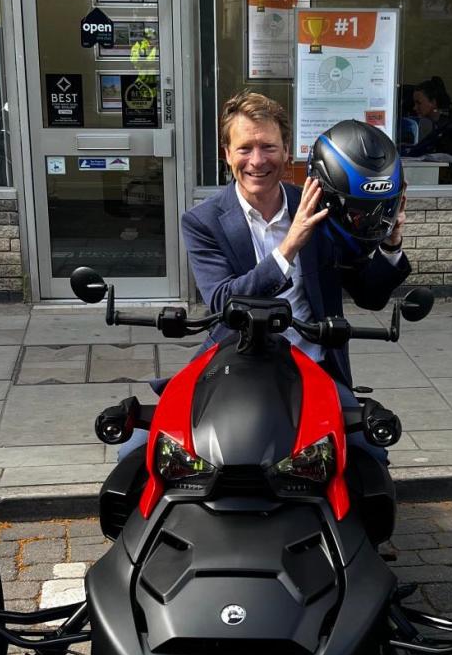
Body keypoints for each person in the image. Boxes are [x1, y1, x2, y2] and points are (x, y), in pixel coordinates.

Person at [121, 91, 411, 461]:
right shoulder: (203, 221)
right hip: (233, 361)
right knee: (135, 453)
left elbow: (369, 294)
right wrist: (288, 246)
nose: (257, 161)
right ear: (226, 154)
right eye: (245, 148)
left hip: (313, 368)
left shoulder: (323, 207)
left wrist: (390, 243)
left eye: (268, 147)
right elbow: (225, 301)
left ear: (286, 150)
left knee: (369, 453)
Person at [406, 76, 452, 160]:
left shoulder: (450, 129)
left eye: (418, 103)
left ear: (433, 102)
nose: (415, 108)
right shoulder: (439, 126)